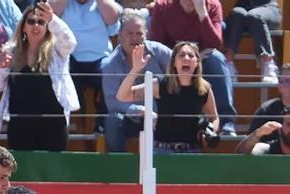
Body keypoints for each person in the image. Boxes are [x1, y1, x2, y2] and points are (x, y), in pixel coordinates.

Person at [0, 1, 80, 152]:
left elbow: (70, 42)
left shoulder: (57, 50)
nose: (36, 25)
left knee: (51, 173)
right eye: (31, 21)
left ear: (47, 26)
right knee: (22, 173)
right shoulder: (11, 51)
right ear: (23, 26)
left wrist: (53, 19)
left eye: (41, 22)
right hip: (20, 125)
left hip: (53, 124)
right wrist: (3, 68)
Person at [149, 0, 236, 134]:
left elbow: (214, 43)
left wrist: (202, 12)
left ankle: (226, 122)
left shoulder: (212, 5)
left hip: (201, 60)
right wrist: (180, 58)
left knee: (217, 58)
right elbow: (155, 43)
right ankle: (155, 119)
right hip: (171, 61)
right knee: (152, 60)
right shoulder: (163, 6)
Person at [116, 41, 219, 154]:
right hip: (162, 150)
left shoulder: (204, 89)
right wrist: (135, 69)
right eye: (181, 55)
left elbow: (214, 118)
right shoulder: (160, 84)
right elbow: (122, 96)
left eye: (191, 55)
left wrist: (211, 130)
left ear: (196, 63)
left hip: (192, 151)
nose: (186, 58)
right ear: (174, 62)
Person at [101, 10, 172, 152]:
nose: (134, 38)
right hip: (131, 119)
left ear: (146, 34)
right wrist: (141, 111)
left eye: (139, 33)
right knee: (112, 121)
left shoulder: (160, 52)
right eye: (129, 33)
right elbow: (113, 103)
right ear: (120, 35)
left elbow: (179, 77)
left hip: (162, 117)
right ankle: (119, 167)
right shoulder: (109, 65)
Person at [52, 0, 121, 134]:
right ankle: (76, 125)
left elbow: (113, 18)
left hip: (101, 60)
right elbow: (51, 13)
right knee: (64, 77)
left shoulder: (103, 3)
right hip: (69, 59)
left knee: (110, 75)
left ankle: (101, 125)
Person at [222, 0, 281, 85]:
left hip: (268, 8)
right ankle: (228, 63)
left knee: (254, 16)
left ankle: (268, 63)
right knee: (236, 14)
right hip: (243, 8)